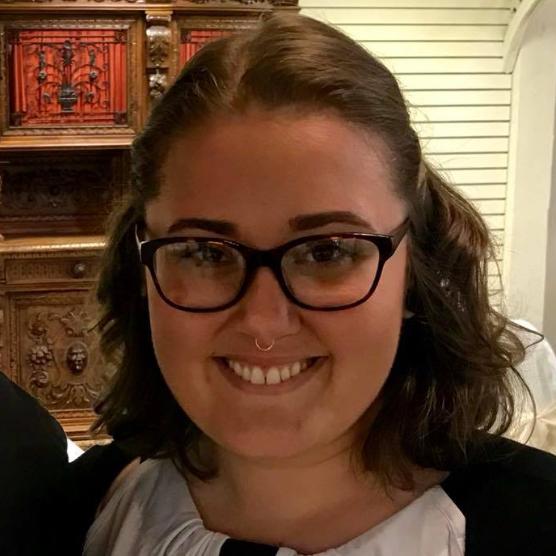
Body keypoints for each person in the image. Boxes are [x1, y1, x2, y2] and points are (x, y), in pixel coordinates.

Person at [83, 12, 556, 556]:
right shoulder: (66, 515)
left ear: (414, 269)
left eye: (327, 251)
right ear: (143, 269)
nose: (263, 323)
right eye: (205, 252)